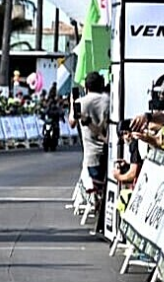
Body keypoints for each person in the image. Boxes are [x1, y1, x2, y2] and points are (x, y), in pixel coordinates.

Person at [70, 71, 110, 235]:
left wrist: (72, 104)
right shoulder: (109, 101)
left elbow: (72, 122)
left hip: (91, 154)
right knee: (105, 186)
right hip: (109, 150)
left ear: (86, 86)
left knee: (96, 188)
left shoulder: (81, 102)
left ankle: (100, 218)